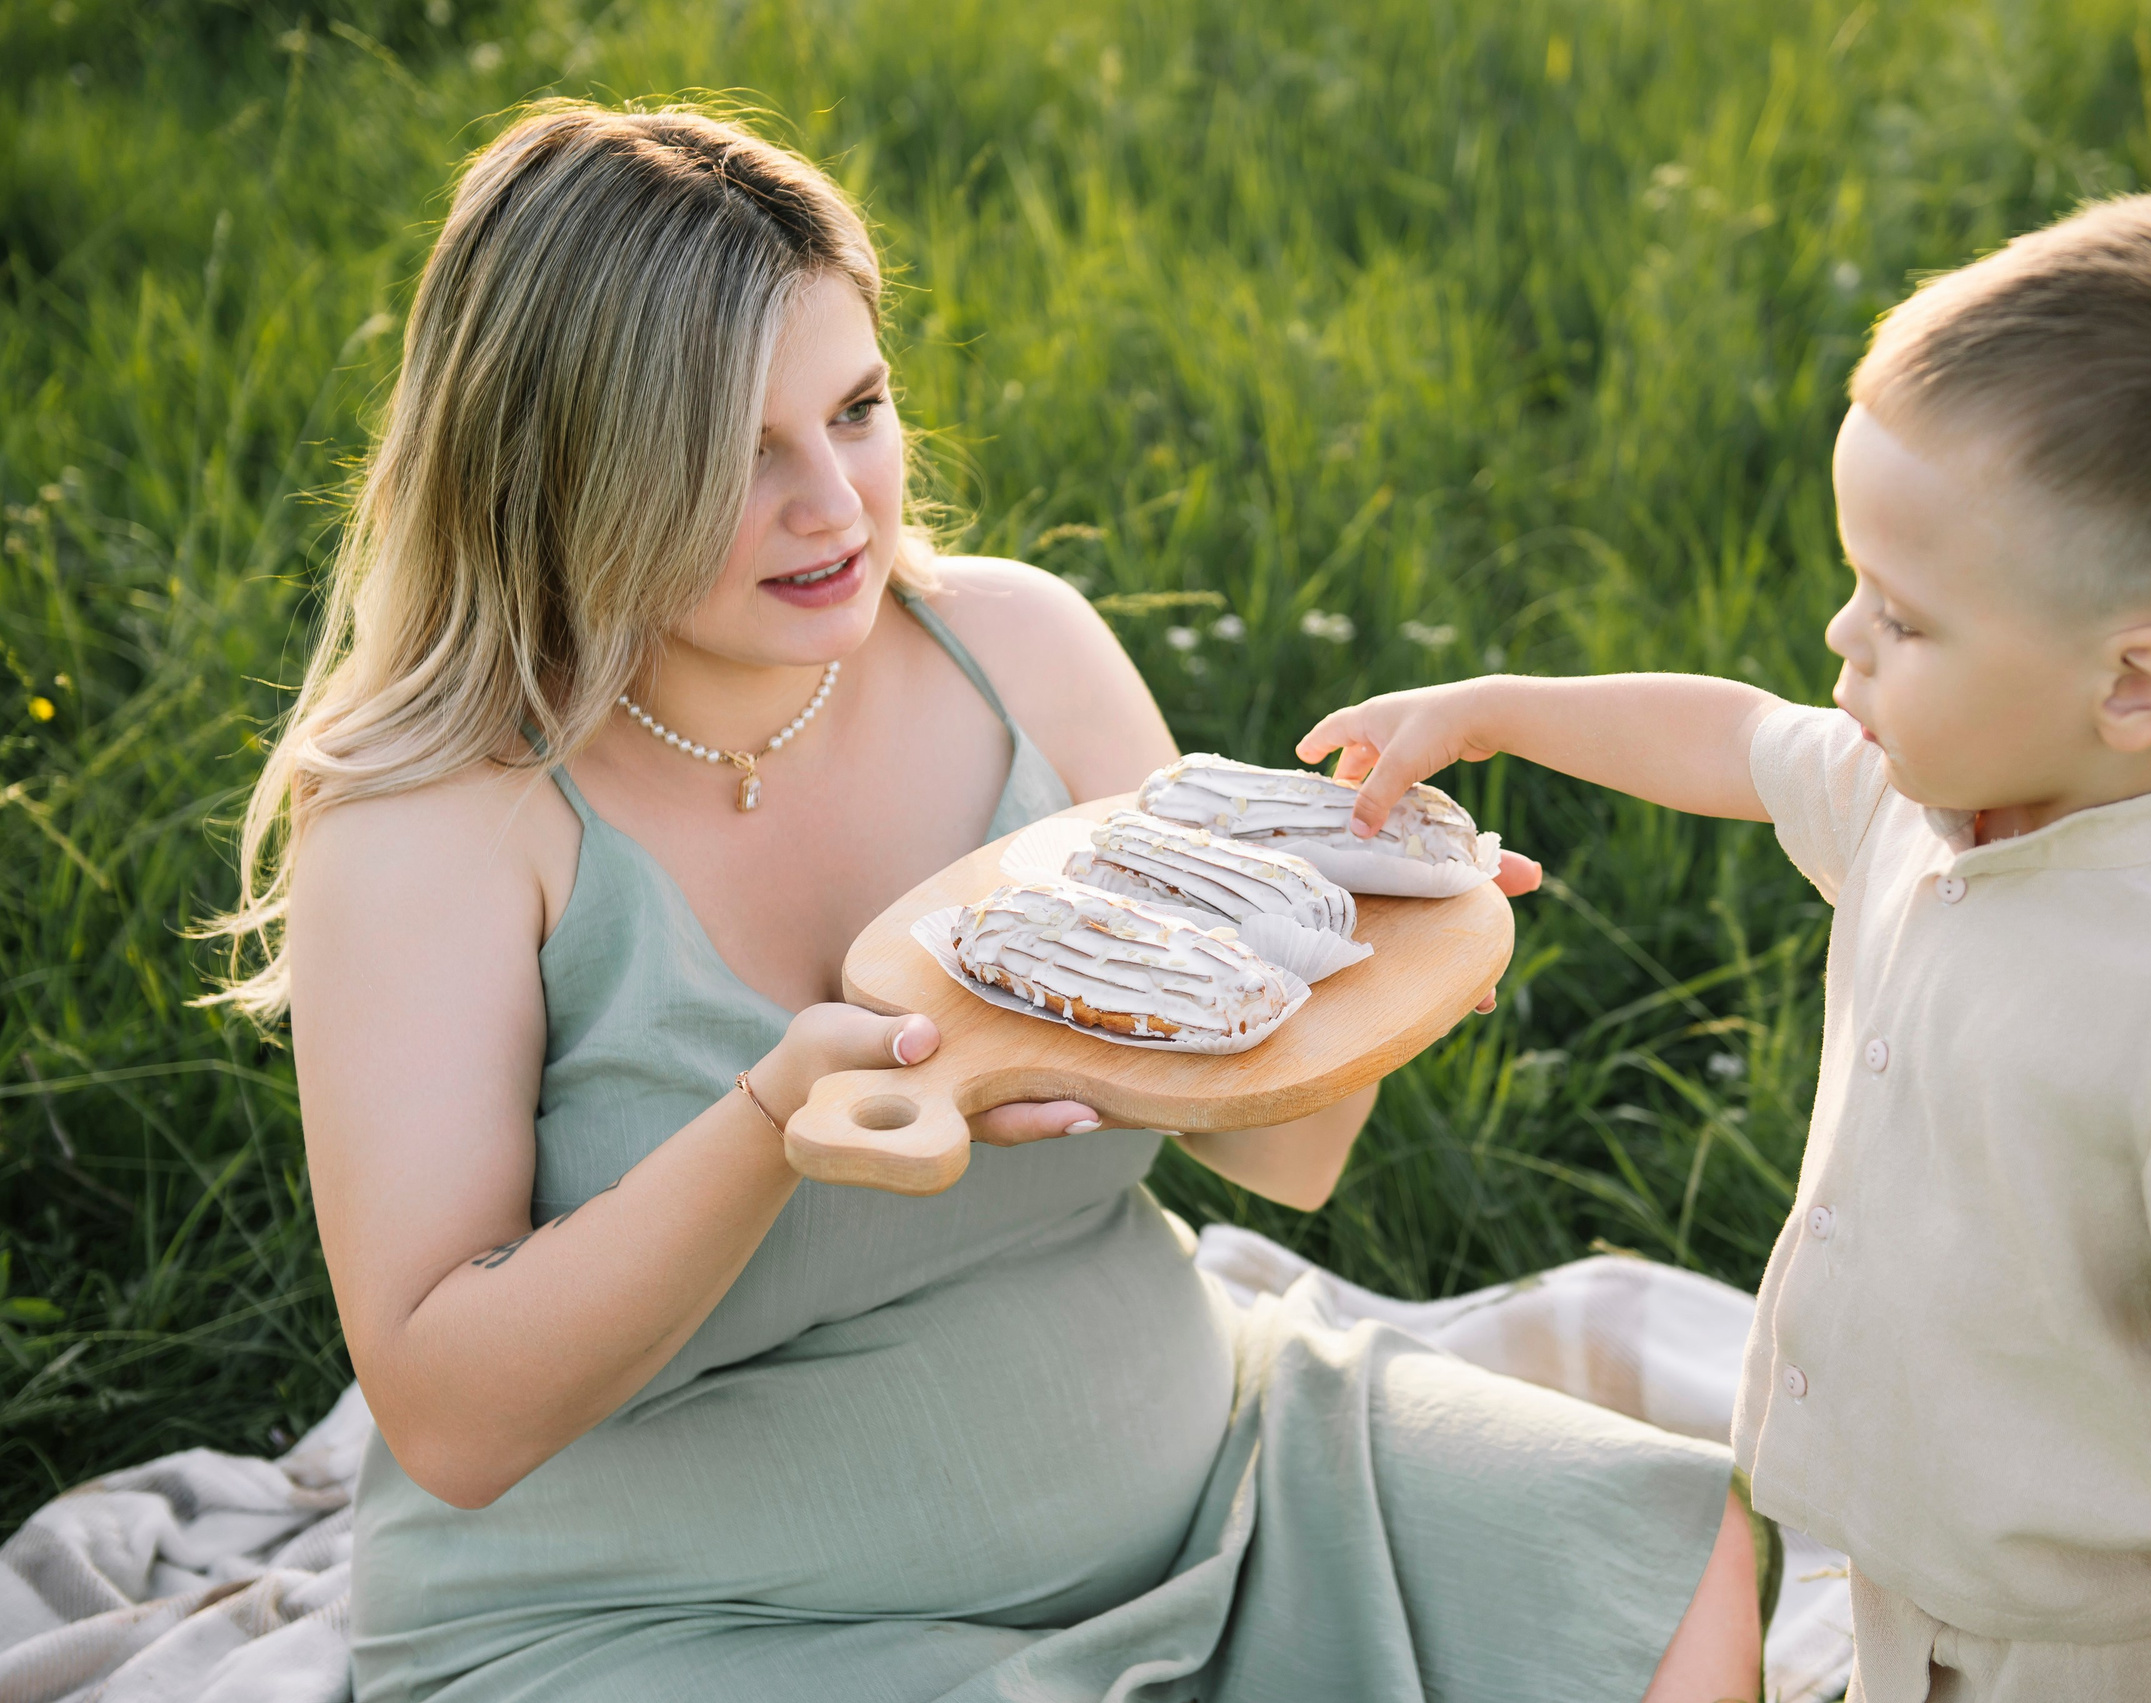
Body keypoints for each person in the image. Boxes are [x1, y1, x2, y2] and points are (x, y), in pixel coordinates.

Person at [211, 101, 1765, 1701]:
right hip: (676, 1618)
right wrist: (772, 1123)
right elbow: (454, 1421)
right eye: (738, 454)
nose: (835, 504)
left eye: (858, 410)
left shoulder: (1016, 648)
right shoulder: (436, 820)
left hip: (1220, 1483)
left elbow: (1282, 1160)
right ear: (561, 475)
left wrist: (1372, 961)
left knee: (1662, 1560)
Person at [1301, 195, 2151, 1702]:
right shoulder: (1928, 799)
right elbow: (1738, 738)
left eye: (1901, 616)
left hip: (2083, 1640)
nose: (1842, 638)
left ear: (2134, 686)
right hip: (1902, 1566)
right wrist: (1496, 711)